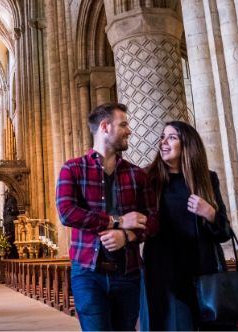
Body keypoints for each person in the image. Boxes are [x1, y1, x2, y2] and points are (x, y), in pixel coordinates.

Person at [55, 102, 158, 331]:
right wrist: (117, 221)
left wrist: (128, 236)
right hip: (88, 273)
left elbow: (153, 220)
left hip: (127, 272)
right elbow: (67, 212)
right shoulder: (72, 169)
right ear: (105, 126)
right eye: (123, 124)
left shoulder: (137, 175)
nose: (129, 130)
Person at [142, 121, 232, 331]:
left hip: (204, 272)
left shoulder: (207, 179)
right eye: (162, 137)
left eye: (171, 137)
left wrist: (210, 213)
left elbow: (225, 232)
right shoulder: (149, 179)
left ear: (188, 144)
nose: (163, 142)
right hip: (165, 275)